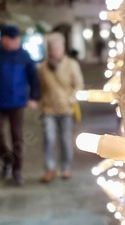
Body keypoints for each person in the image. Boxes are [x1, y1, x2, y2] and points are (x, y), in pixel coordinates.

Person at [0, 25, 39, 186]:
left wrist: (34, 97)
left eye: (18, 39)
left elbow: (33, 77)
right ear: (4, 39)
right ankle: (7, 159)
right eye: (13, 39)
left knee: (17, 136)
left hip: (17, 102)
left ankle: (17, 170)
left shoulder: (24, 56)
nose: (16, 42)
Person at [38, 32, 84, 183]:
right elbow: (39, 87)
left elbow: (78, 86)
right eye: (51, 49)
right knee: (49, 140)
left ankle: (65, 168)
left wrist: (69, 99)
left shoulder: (72, 65)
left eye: (56, 49)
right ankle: (49, 168)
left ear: (62, 49)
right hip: (48, 110)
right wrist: (39, 101)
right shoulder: (43, 67)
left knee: (65, 140)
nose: (53, 52)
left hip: (66, 110)